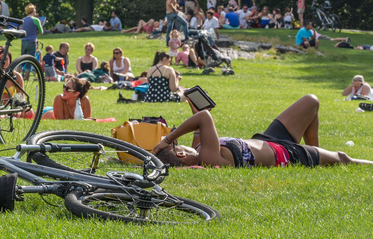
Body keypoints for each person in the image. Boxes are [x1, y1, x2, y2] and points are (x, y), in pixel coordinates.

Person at [152, 95, 372, 168]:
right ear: (181, 154)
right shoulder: (208, 157)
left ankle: (314, 150)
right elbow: (204, 118)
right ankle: (313, 154)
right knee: (344, 159)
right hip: (287, 154)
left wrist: (196, 110)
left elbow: (200, 118)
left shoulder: (202, 150)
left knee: (311, 102)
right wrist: (167, 139)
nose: (180, 143)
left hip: (272, 139)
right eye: (177, 146)